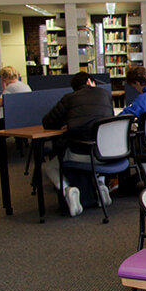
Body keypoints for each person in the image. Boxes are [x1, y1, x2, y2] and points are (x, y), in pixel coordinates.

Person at [41, 71, 114, 217]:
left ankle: (67, 190)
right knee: (96, 158)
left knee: (49, 166)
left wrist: (67, 122)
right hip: (108, 153)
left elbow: (48, 122)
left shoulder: (69, 98)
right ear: (89, 81)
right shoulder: (105, 94)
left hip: (81, 153)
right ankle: (100, 185)